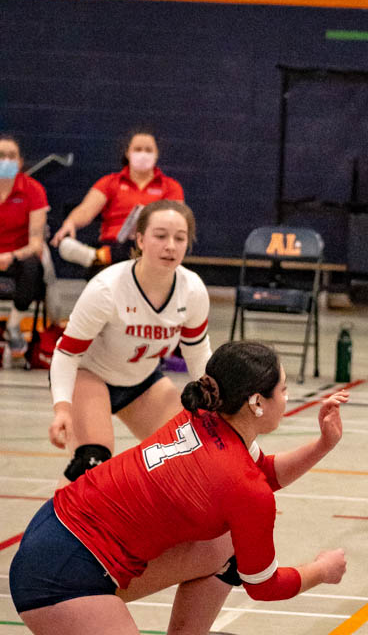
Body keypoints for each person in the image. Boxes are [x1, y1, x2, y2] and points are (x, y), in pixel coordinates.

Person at [3, 341, 349, 635]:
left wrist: (322, 444)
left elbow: (259, 475)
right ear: (257, 402)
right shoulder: (241, 484)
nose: (288, 397)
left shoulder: (208, 419)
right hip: (63, 577)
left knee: (225, 548)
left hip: (59, 530)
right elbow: (264, 585)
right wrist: (321, 570)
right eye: (282, 389)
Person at [48, 199, 211, 476]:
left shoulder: (192, 289)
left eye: (179, 238)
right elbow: (66, 353)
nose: (170, 245)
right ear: (140, 239)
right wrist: (62, 408)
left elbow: (198, 354)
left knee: (190, 457)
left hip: (142, 382)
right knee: (92, 464)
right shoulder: (107, 288)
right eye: (160, 236)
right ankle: (58, 519)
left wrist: (212, 405)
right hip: (90, 376)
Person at [51, 129, 184, 269]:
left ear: (156, 154)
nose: (143, 154)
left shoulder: (170, 186)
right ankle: (103, 256)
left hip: (152, 246)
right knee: (123, 247)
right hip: (113, 243)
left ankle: (97, 257)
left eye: (148, 150)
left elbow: (178, 221)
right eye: (138, 149)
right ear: (128, 153)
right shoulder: (110, 182)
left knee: (144, 242)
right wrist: (70, 223)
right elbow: (86, 210)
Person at [0, 134, 49, 358]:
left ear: (20, 162)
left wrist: (11, 255)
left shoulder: (33, 190)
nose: (6, 160)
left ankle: (13, 325)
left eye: (11, 156)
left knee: (32, 267)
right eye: (1, 156)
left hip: (17, 258)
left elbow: (35, 241)